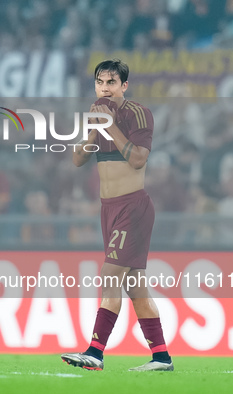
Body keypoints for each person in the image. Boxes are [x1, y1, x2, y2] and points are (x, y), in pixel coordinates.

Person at [61, 59, 173, 372]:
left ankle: (95, 352)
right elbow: (77, 159)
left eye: (112, 82)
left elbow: (138, 160)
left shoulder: (138, 113)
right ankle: (161, 357)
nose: (105, 88)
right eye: (100, 82)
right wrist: (92, 134)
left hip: (132, 207)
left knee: (110, 276)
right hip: (107, 209)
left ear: (125, 85)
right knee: (136, 287)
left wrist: (109, 125)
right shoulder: (97, 112)